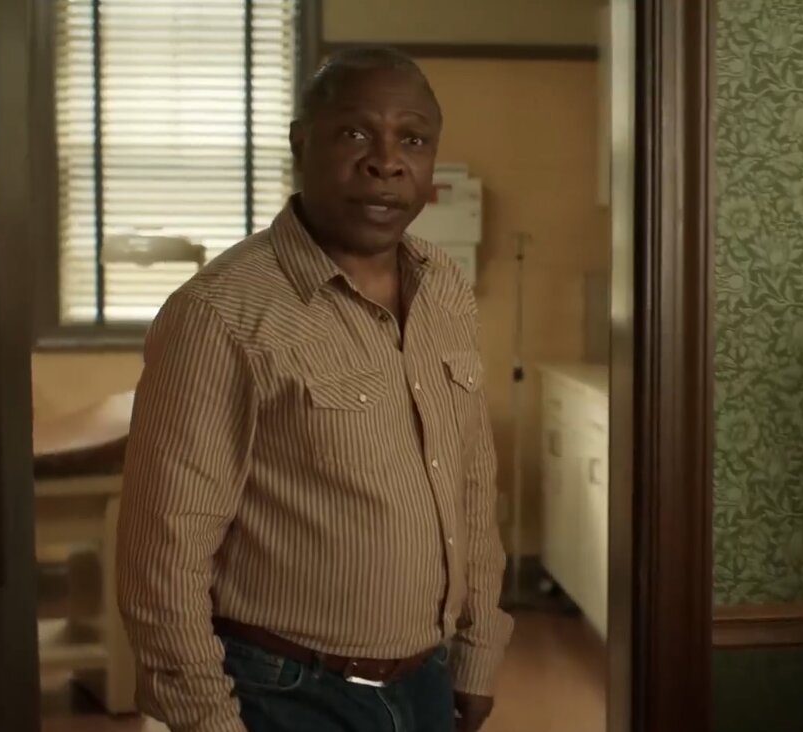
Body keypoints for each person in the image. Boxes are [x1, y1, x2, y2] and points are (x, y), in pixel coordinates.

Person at [116, 46, 513, 732]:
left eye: (412, 140)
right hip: (285, 693)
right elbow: (164, 550)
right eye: (356, 133)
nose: (386, 162)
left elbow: (471, 481)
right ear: (301, 144)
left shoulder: (444, 286)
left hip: (428, 680)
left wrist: (478, 653)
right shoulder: (221, 313)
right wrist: (206, 718)